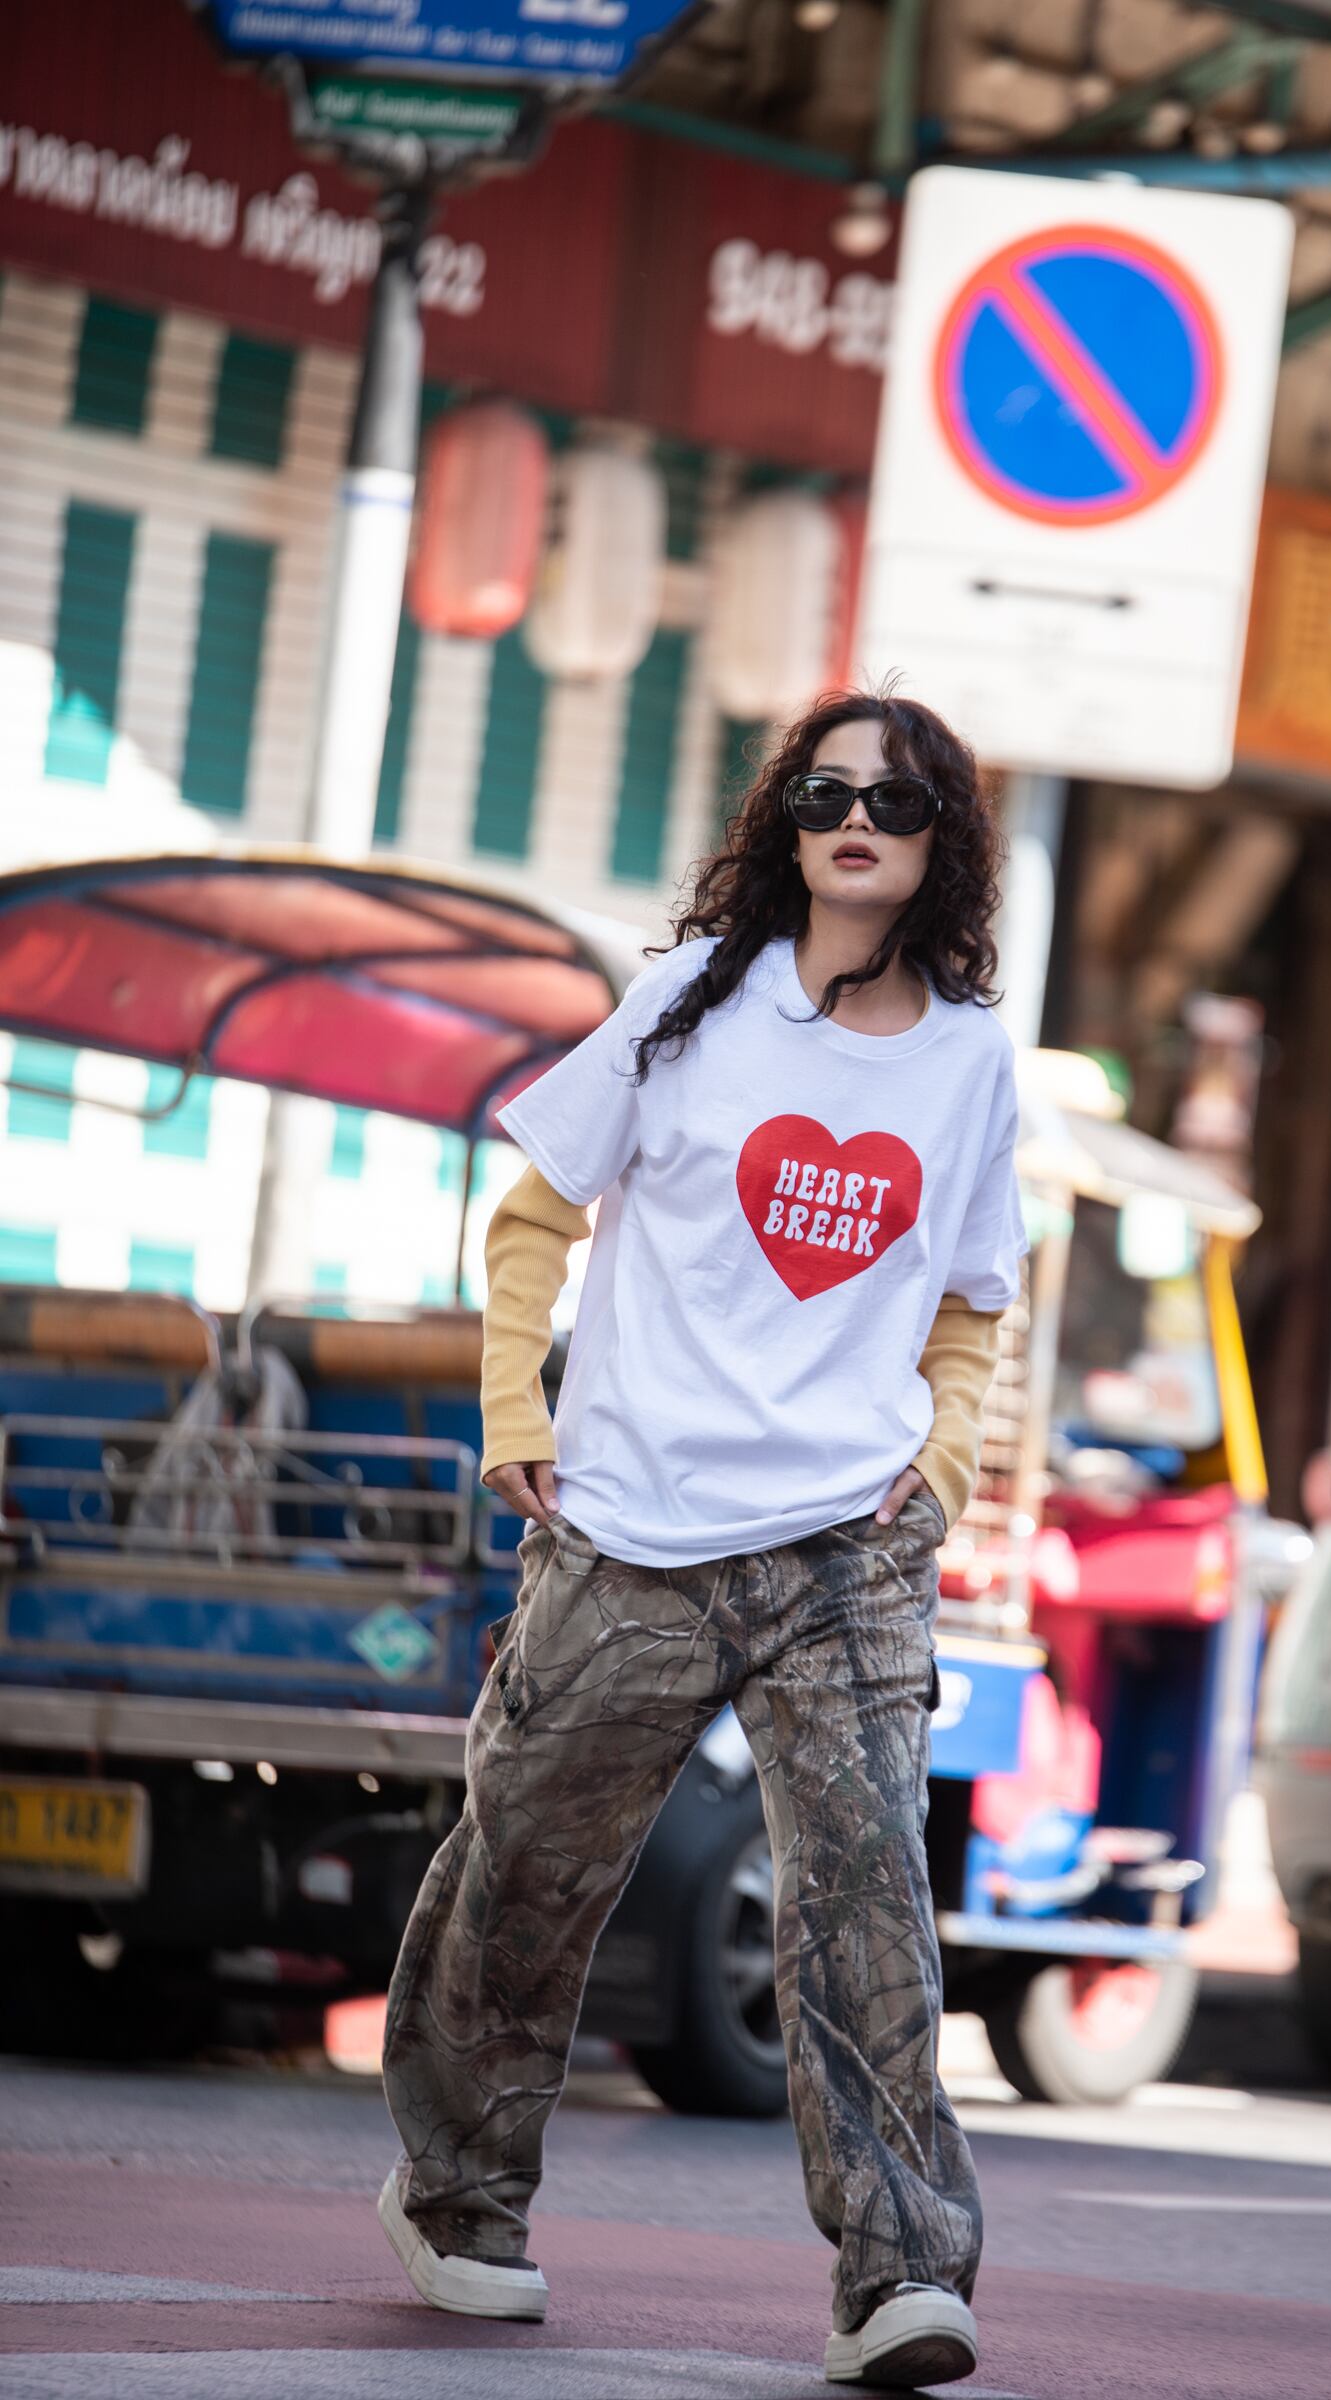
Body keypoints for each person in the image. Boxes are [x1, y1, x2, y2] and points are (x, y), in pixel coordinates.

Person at [378, 688, 1025, 2391]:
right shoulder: (685, 1004)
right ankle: (458, 2198)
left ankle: (899, 2273)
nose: (854, 819)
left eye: (893, 799)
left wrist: (942, 1465)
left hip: (845, 1547)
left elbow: (970, 1302)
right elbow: (533, 1217)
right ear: (784, 824)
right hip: (630, 1526)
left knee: (867, 1897)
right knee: (527, 1868)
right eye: (823, 793)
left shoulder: (968, 1059)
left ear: (945, 839)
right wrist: (517, 1415)